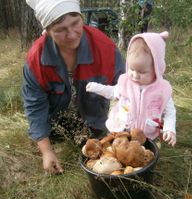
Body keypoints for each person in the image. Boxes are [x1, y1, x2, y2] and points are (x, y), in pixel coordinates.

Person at [22, 0, 125, 174]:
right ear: (47, 31)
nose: (71, 34)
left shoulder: (105, 49)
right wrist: (46, 151)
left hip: (97, 125)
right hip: (56, 126)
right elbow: (34, 105)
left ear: (81, 17)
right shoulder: (36, 60)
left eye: (76, 23)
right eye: (60, 30)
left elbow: (126, 91)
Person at [86, 31, 176, 146]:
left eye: (142, 72)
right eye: (131, 69)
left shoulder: (162, 90)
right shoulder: (126, 82)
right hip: (122, 130)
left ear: (157, 69)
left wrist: (169, 129)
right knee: (119, 154)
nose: (135, 75)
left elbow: (169, 112)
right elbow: (113, 92)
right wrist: (96, 87)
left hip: (146, 135)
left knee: (142, 157)